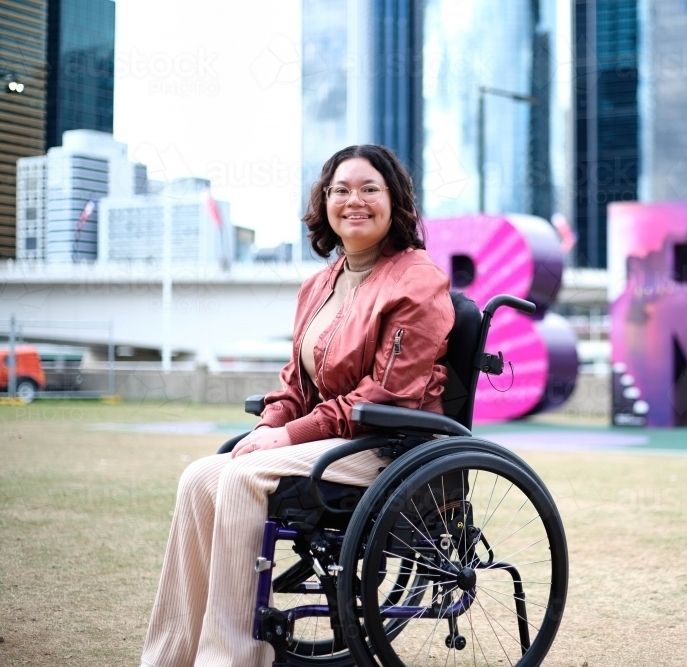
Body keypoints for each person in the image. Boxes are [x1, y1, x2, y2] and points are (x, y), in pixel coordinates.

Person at [141, 145, 455, 667]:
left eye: (369, 189)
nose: (354, 200)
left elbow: (384, 394)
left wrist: (286, 437)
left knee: (244, 477)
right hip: (332, 439)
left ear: (395, 201)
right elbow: (296, 384)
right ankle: (170, 656)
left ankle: (232, 658)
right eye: (341, 190)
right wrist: (267, 428)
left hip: (390, 444)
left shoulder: (417, 280)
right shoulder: (319, 285)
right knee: (200, 476)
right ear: (325, 203)